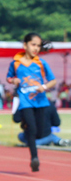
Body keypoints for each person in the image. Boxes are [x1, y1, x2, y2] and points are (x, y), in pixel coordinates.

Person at [6, 33, 57, 172]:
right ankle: (34, 159)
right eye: (33, 45)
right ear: (25, 45)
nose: (36, 48)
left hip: (40, 101)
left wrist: (44, 87)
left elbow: (53, 80)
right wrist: (13, 80)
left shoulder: (41, 63)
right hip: (25, 101)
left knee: (40, 133)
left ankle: (25, 126)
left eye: (38, 46)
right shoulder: (15, 63)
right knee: (32, 130)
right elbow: (9, 77)